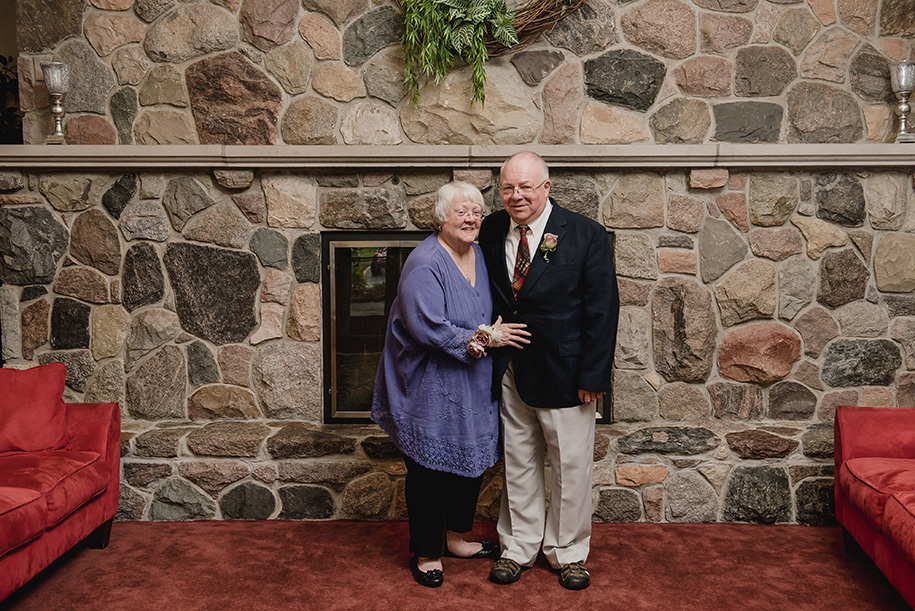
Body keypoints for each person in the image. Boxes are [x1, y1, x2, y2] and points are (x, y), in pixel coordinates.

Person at [371, 181, 530, 588]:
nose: (471, 218)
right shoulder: (424, 262)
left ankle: (456, 538)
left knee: (469, 464)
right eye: (461, 211)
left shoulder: (476, 252)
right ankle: (427, 552)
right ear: (442, 218)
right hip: (428, 383)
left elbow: (484, 308)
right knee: (428, 472)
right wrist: (485, 339)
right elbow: (427, 327)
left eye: (476, 212)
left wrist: (489, 332)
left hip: (471, 381)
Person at [478, 151, 620, 590]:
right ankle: (518, 547)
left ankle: (568, 552)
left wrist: (594, 379)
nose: (516, 196)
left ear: (546, 187)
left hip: (568, 374)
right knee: (518, 462)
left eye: (525, 187)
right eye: (507, 188)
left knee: (571, 466)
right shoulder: (490, 229)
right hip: (510, 371)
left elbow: (603, 311)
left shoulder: (586, 235)